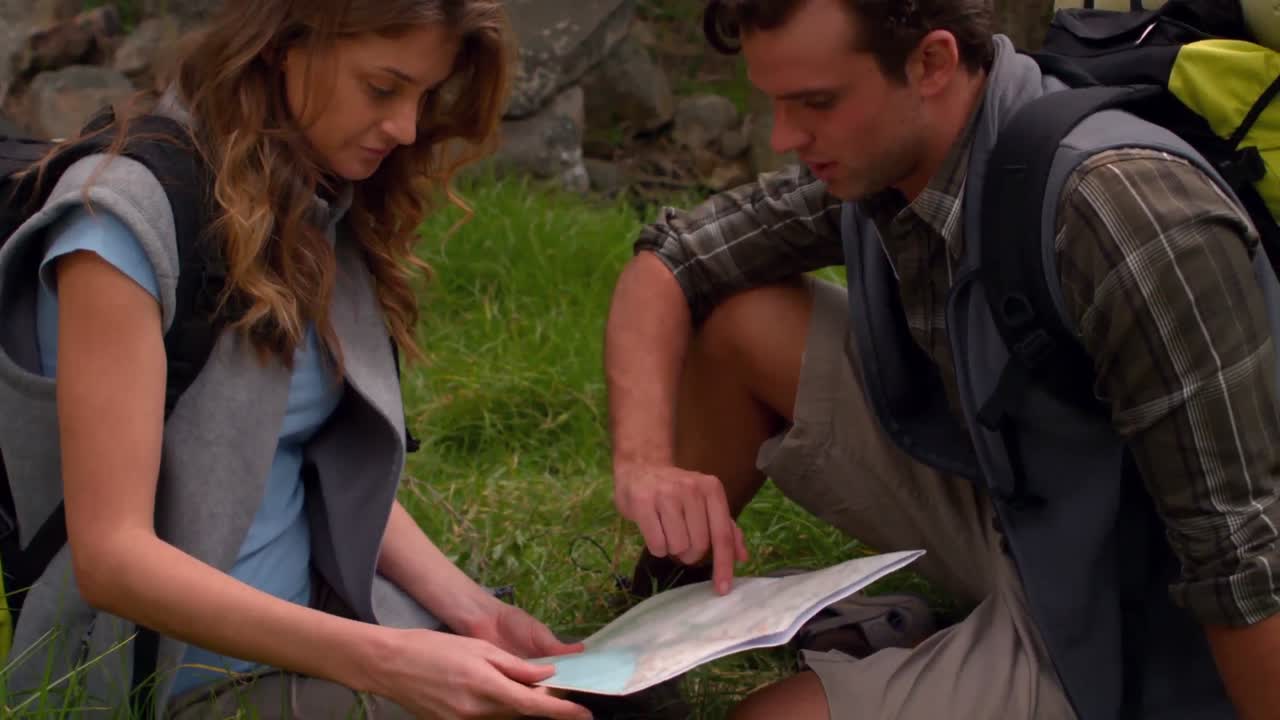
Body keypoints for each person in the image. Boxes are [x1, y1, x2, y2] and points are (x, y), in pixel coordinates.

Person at [604, 0, 1280, 718]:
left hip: (1135, 604)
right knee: (743, 322)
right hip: (1019, 498)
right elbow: (676, 259)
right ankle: (641, 644)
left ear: (931, 63)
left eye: (816, 103)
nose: (784, 136)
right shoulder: (888, 153)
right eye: (773, 102)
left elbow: (1242, 560)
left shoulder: (1123, 217)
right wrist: (644, 461)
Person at [0, 1, 594, 718]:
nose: (407, 127)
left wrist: (472, 611)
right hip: (177, 683)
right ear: (284, 45)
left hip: (333, 632)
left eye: (425, 97)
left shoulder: (303, 196)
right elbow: (112, 560)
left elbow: (296, 451)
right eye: (383, 88)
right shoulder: (120, 223)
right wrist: (391, 664)